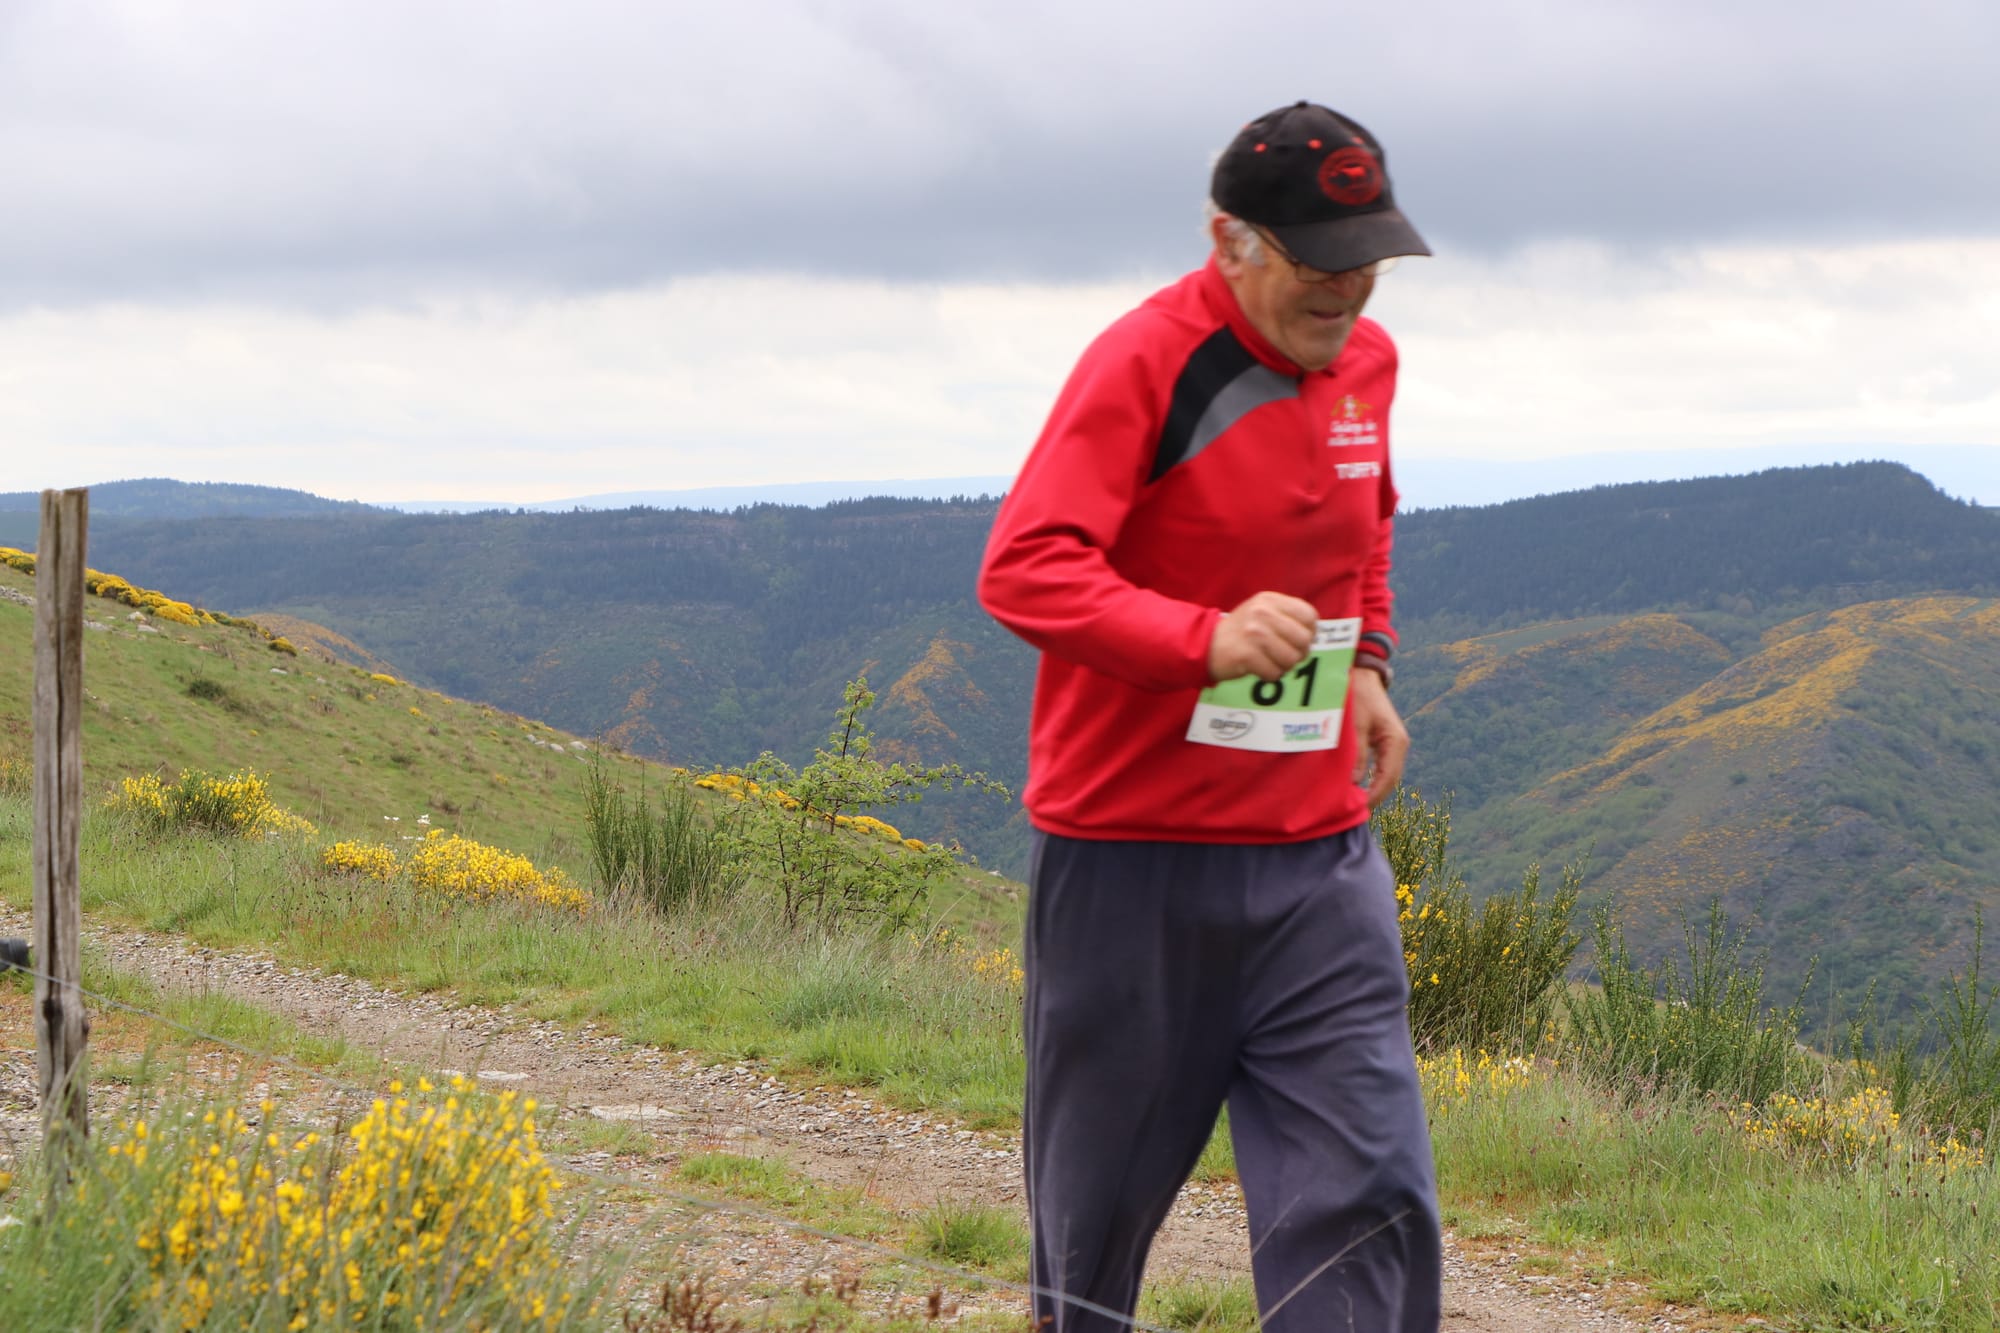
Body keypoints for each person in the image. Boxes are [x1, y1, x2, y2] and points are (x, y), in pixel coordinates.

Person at [976, 101, 1442, 1332]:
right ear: (1227, 239)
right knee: (1093, 1231)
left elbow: (1362, 529)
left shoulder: (1368, 368)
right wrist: (1205, 642)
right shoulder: (1144, 360)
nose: (1345, 292)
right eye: (1314, 260)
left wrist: (1367, 666)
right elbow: (1024, 567)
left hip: (1316, 862)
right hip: (1129, 861)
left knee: (1367, 1194)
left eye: (1365, 261)